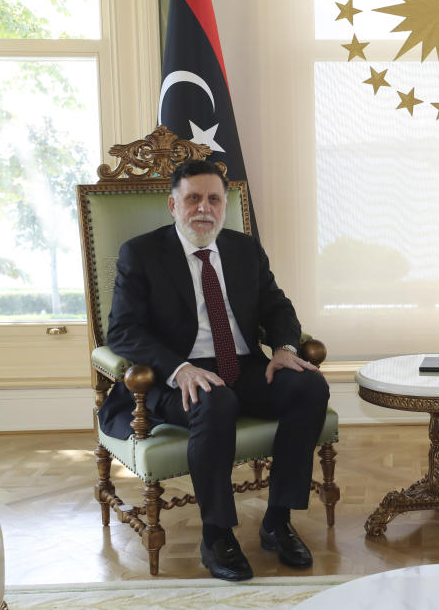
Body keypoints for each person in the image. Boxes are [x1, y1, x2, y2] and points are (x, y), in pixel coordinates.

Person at [98, 159, 330, 581]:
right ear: (173, 204)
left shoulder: (244, 250)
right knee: (216, 400)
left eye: (213, 199)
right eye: (193, 198)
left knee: (309, 388)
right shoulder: (142, 253)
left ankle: (278, 522)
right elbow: (122, 330)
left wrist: (282, 348)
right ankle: (217, 535)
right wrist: (179, 368)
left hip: (243, 366)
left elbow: (277, 306)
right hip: (176, 376)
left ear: (224, 205)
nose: (203, 208)